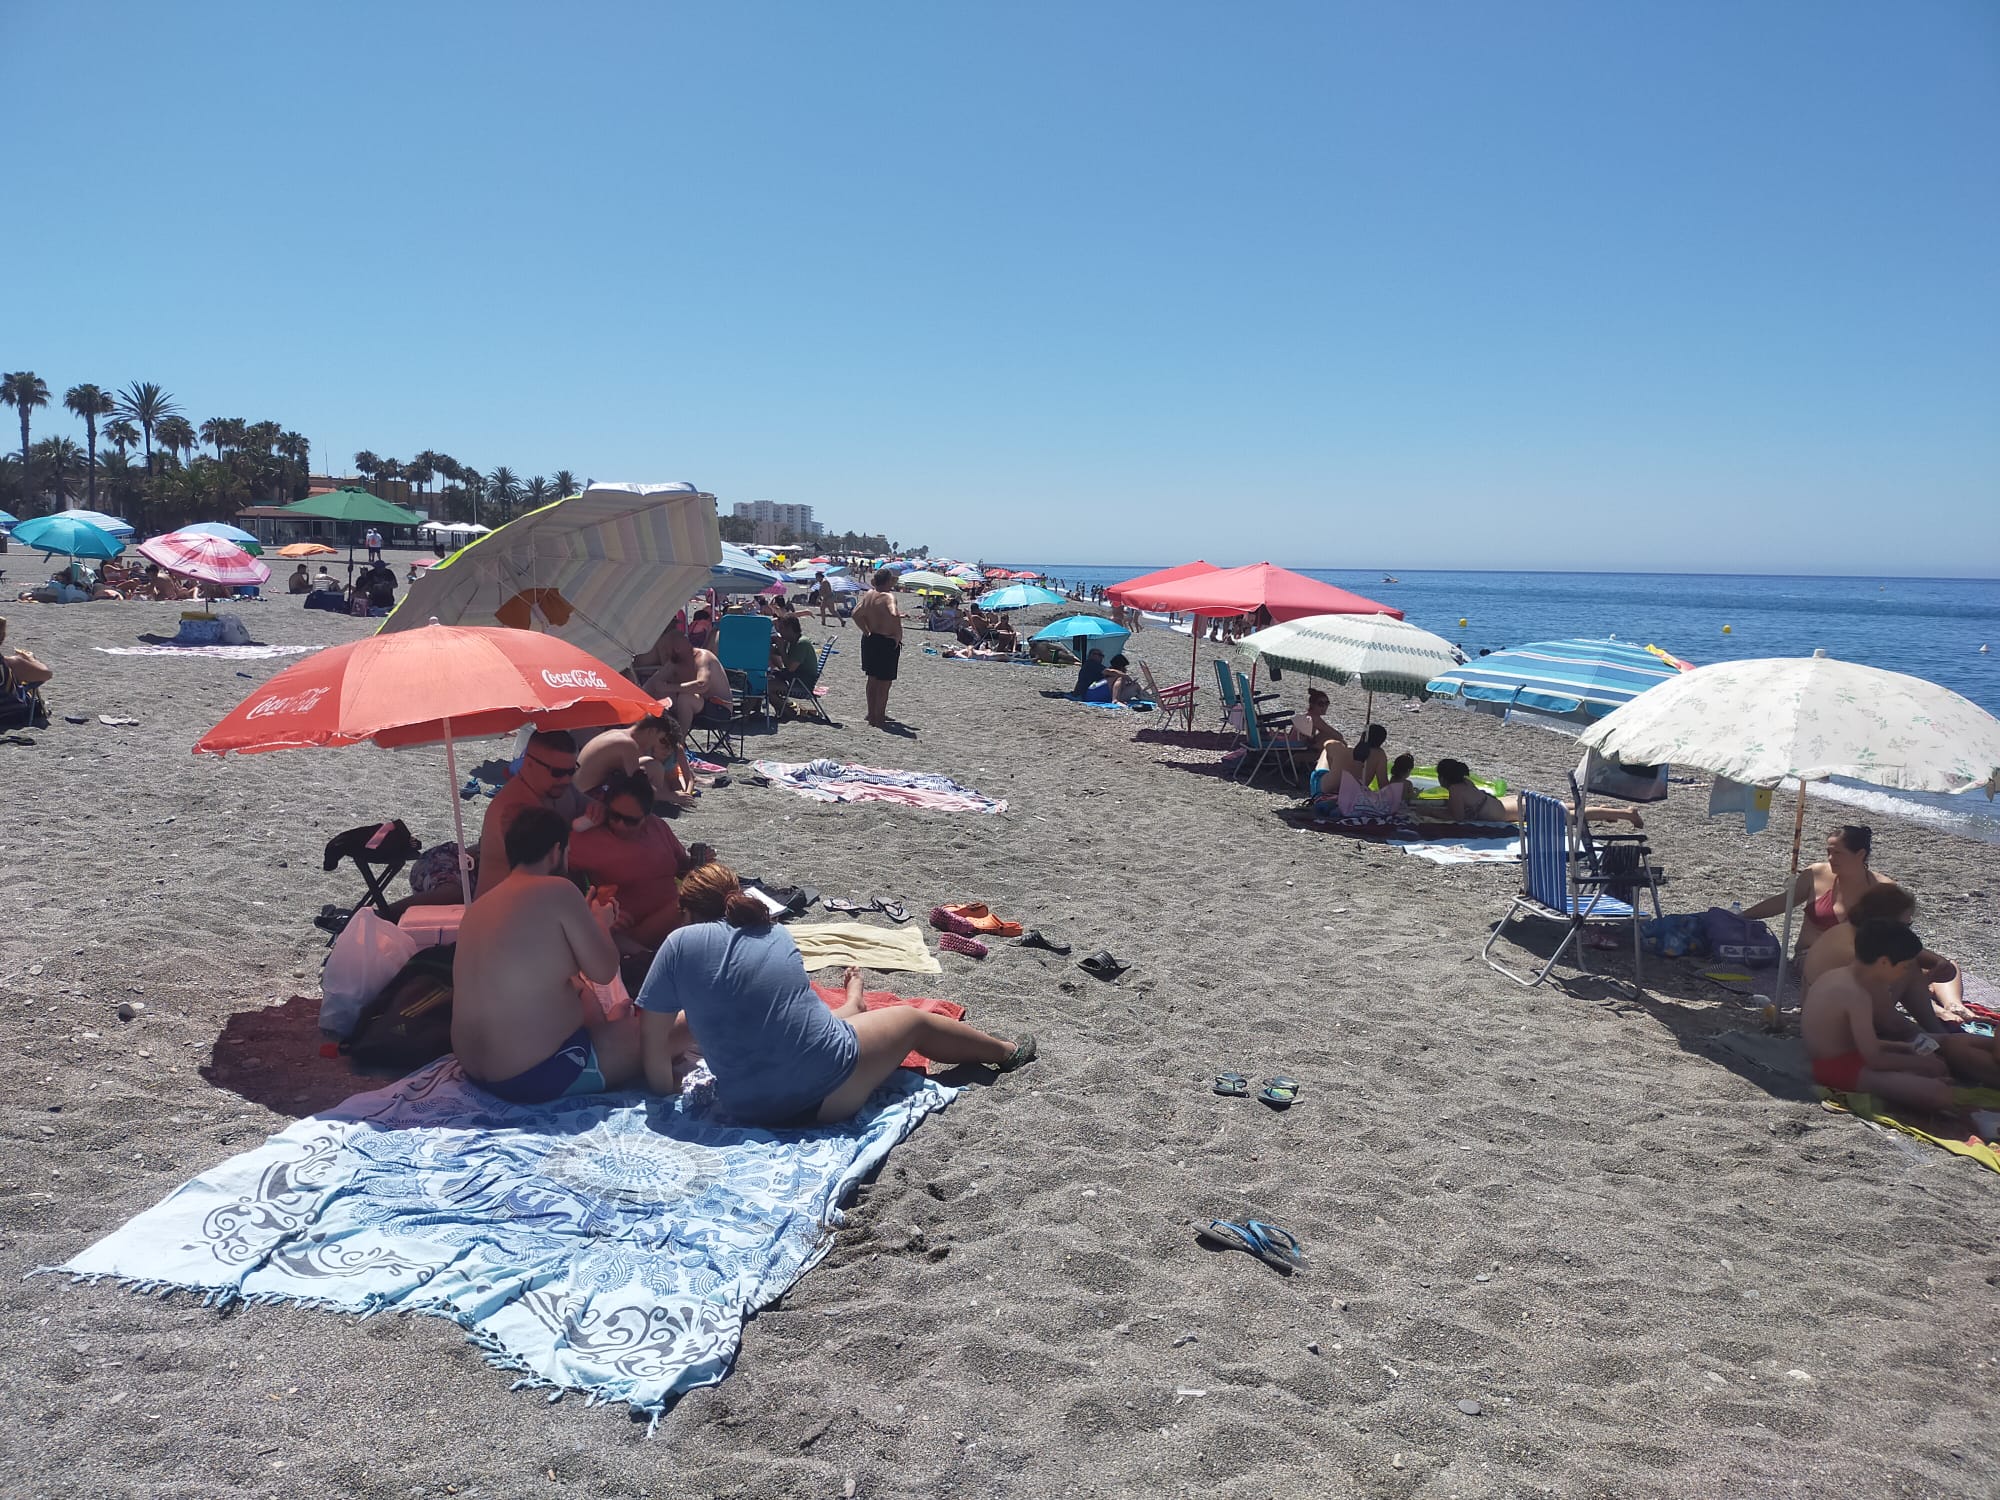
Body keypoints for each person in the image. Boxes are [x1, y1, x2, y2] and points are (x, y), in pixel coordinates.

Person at [635, 864, 1037, 1126]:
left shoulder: (677, 945)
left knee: (821, 1029)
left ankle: (854, 1006)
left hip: (750, 1110)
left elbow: (652, 1040)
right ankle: (1005, 1051)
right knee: (913, 1022)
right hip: (829, 1094)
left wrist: (665, 1091)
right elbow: (802, 1029)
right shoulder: (774, 934)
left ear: (687, 911)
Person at [451, 807, 642, 1103]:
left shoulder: (479, 907)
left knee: (576, 987)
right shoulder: (560, 890)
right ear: (555, 851)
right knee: (656, 1033)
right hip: (533, 1075)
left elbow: (547, 965)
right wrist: (601, 924)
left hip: (476, 1068)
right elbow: (604, 971)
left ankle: (607, 1030)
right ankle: (609, 1035)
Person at [1800, 883, 1996, 1086]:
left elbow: (1928, 961)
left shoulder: (1857, 935)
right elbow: (1885, 1030)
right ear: (1888, 922)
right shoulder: (1859, 962)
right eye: (1906, 926)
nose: (1908, 928)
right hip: (1841, 1037)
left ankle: (1936, 1031)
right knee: (1950, 1055)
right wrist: (1927, 1045)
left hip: (1836, 1027)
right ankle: (1936, 1031)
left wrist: (1936, 964)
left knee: (1909, 967)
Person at [1802, 920, 1965, 1112]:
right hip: (1835, 1068)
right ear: (1884, 962)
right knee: (1939, 1093)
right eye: (1905, 967)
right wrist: (1920, 1064)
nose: (1905, 973)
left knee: (1930, 1065)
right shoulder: (1856, 994)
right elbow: (1874, 1059)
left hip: (1842, 1056)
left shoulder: (1837, 976)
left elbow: (1855, 1042)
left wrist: (1903, 1049)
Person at [569, 771, 714, 962]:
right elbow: (556, 881)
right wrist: (598, 911)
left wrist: (702, 861)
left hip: (674, 916)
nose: (620, 824)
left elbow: (683, 868)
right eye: (614, 816)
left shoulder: (658, 827)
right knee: (692, 902)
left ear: (646, 816)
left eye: (630, 821)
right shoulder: (590, 840)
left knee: (710, 895)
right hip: (632, 930)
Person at [1740, 825, 1887, 967]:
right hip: (1809, 957)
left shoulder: (1882, 889)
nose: (1830, 858)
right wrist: (1742, 916)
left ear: (1860, 854)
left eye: (1838, 853)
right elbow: (1784, 901)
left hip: (1855, 963)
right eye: (1828, 852)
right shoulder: (1816, 873)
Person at [475, 729, 585, 898]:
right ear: (529, 763)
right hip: (510, 908)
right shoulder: (516, 811)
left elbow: (590, 805)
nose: (566, 779)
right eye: (557, 772)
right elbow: (551, 871)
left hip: (539, 901)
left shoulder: (557, 788)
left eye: (571, 771)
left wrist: (598, 811)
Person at [1420, 759, 1643, 826]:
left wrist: (1428, 812)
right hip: (1509, 804)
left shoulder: (1456, 790)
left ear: (1443, 778)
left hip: (1514, 811)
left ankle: (1627, 813)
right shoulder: (1465, 783)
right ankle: (1603, 810)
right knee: (1560, 805)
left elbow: (1457, 816)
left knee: (1571, 817)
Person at [576, 713, 688, 806]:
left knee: (654, 766)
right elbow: (637, 786)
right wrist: (672, 796)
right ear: (652, 731)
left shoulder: (618, 734)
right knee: (635, 788)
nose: (656, 744)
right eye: (660, 739)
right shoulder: (628, 745)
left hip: (579, 790)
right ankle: (642, 814)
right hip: (586, 796)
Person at [852, 567, 904, 728]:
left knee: (872, 679)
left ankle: (871, 714)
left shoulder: (868, 594)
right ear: (888, 581)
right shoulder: (888, 596)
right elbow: (894, 613)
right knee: (884, 683)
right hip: (886, 642)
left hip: (870, 639)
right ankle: (879, 717)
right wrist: (898, 629)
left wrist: (866, 630)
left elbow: (855, 614)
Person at [770, 614, 819, 707]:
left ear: (790, 628)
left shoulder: (801, 643)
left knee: (766, 687)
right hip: (794, 679)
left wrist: (782, 650)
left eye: (781, 628)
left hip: (801, 684)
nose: (779, 631)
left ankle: (787, 712)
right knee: (765, 680)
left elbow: (791, 668)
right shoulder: (792, 641)